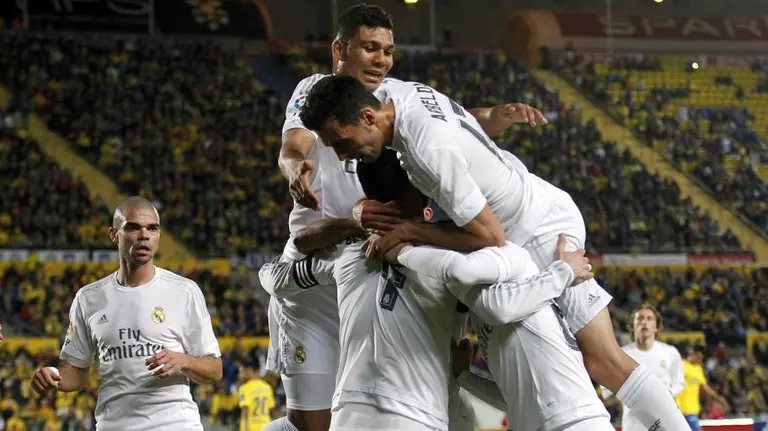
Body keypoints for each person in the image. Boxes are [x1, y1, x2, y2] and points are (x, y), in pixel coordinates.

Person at [297, 75, 690, 431]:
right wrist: (488, 116)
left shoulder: (428, 154)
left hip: (537, 229)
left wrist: (408, 234)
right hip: (519, 217)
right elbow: (454, 118)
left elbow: (490, 234)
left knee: (604, 360)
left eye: (343, 143)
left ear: (368, 116)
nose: (344, 156)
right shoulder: (394, 93)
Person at [267, 4, 546, 431]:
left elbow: (454, 126)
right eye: (369, 48)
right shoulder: (315, 90)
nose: (381, 60)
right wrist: (293, 167)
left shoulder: (396, 98)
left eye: (387, 50)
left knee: (379, 400)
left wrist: (496, 116)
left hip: (380, 256)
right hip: (319, 261)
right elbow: (293, 145)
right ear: (340, 49)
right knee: (312, 424)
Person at [262, 150, 594, 431]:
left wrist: (351, 226)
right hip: (419, 415)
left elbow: (272, 276)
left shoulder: (348, 254)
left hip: (351, 411)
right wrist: (562, 271)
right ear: (424, 193)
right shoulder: (452, 262)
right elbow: (498, 305)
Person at [30, 196, 222, 430]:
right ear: (113, 234)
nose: (144, 235)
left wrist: (184, 361)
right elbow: (78, 372)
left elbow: (215, 369)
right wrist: (53, 375)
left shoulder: (184, 291)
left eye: (152, 228)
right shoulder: (89, 298)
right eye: (133, 227)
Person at [601, 304, 685, 431]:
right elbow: (606, 390)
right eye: (640, 318)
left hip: (666, 420)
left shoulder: (670, 352)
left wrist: (666, 393)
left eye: (649, 319)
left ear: (657, 327)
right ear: (632, 326)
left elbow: (679, 383)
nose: (644, 322)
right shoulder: (621, 355)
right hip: (634, 424)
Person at [677, 345, 730, 431]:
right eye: (698, 357)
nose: (700, 360)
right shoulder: (681, 365)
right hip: (682, 409)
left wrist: (719, 398)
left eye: (701, 358)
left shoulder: (698, 368)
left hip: (693, 409)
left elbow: (705, 387)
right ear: (693, 354)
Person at [238, 359, 276, 431]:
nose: (240, 375)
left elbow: (245, 411)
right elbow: (271, 411)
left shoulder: (244, 388)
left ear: (249, 371)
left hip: (251, 427)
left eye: (241, 372)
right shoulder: (267, 387)